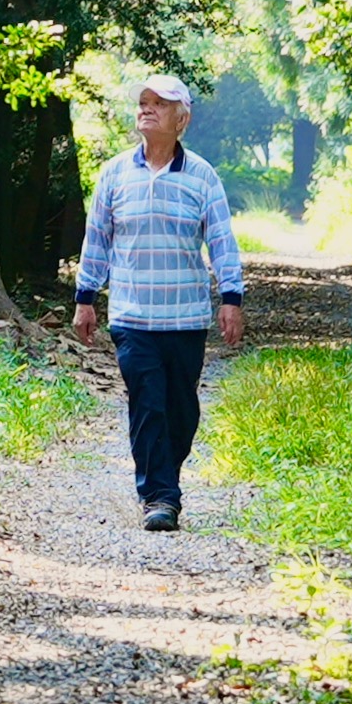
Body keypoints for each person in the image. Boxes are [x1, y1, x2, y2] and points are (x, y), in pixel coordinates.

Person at [67, 74, 245, 531]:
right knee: (147, 401)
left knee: (181, 409)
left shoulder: (202, 176)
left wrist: (232, 298)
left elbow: (222, 241)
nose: (146, 109)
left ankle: (166, 475)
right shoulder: (114, 174)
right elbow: (97, 241)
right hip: (132, 316)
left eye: (159, 104)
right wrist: (85, 298)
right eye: (143, 102)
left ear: (180, 118)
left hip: (186, 317)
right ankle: (160, 497)